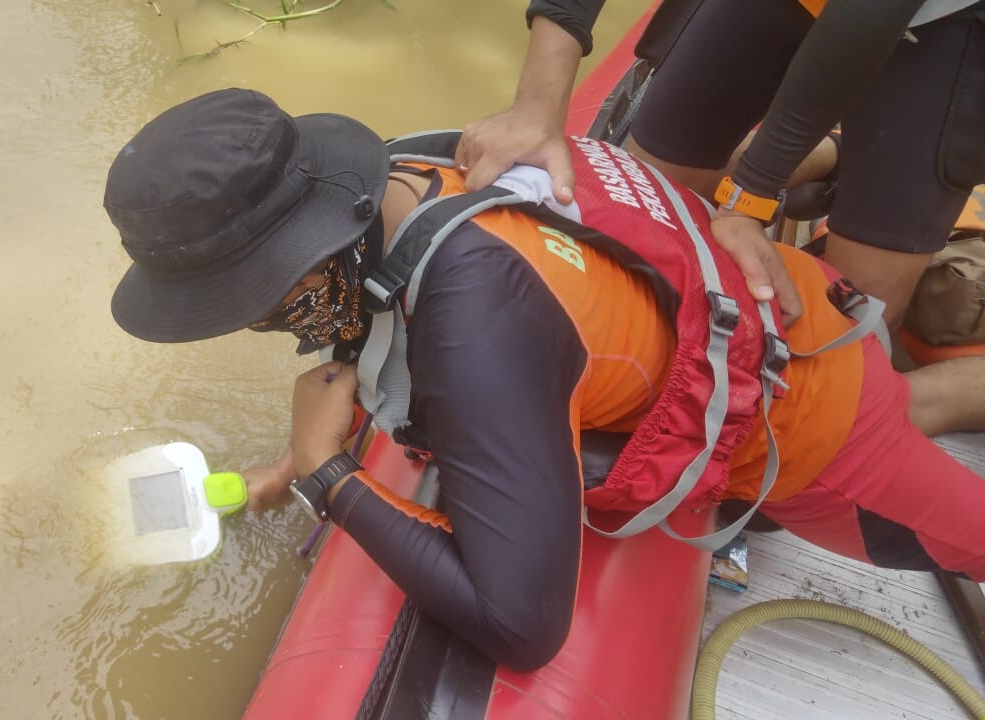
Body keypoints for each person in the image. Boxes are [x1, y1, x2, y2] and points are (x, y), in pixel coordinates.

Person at [103, 88, 985, 671]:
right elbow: (379, 327)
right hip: (794, 315)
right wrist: (284, 466)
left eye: (254, 306)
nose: (262, 324)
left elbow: (524, 626)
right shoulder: (416, 166)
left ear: (305, 268)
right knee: (912, 404)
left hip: (811, 436)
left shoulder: (477, 324)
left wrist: (329, 474)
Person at [459, 2, 985, 369]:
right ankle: (833, 157)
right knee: (640, 203)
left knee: (842, 326)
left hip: (945, 26)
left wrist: (748, 200)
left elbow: (870, 12)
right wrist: (535, 107)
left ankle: (833, 159)